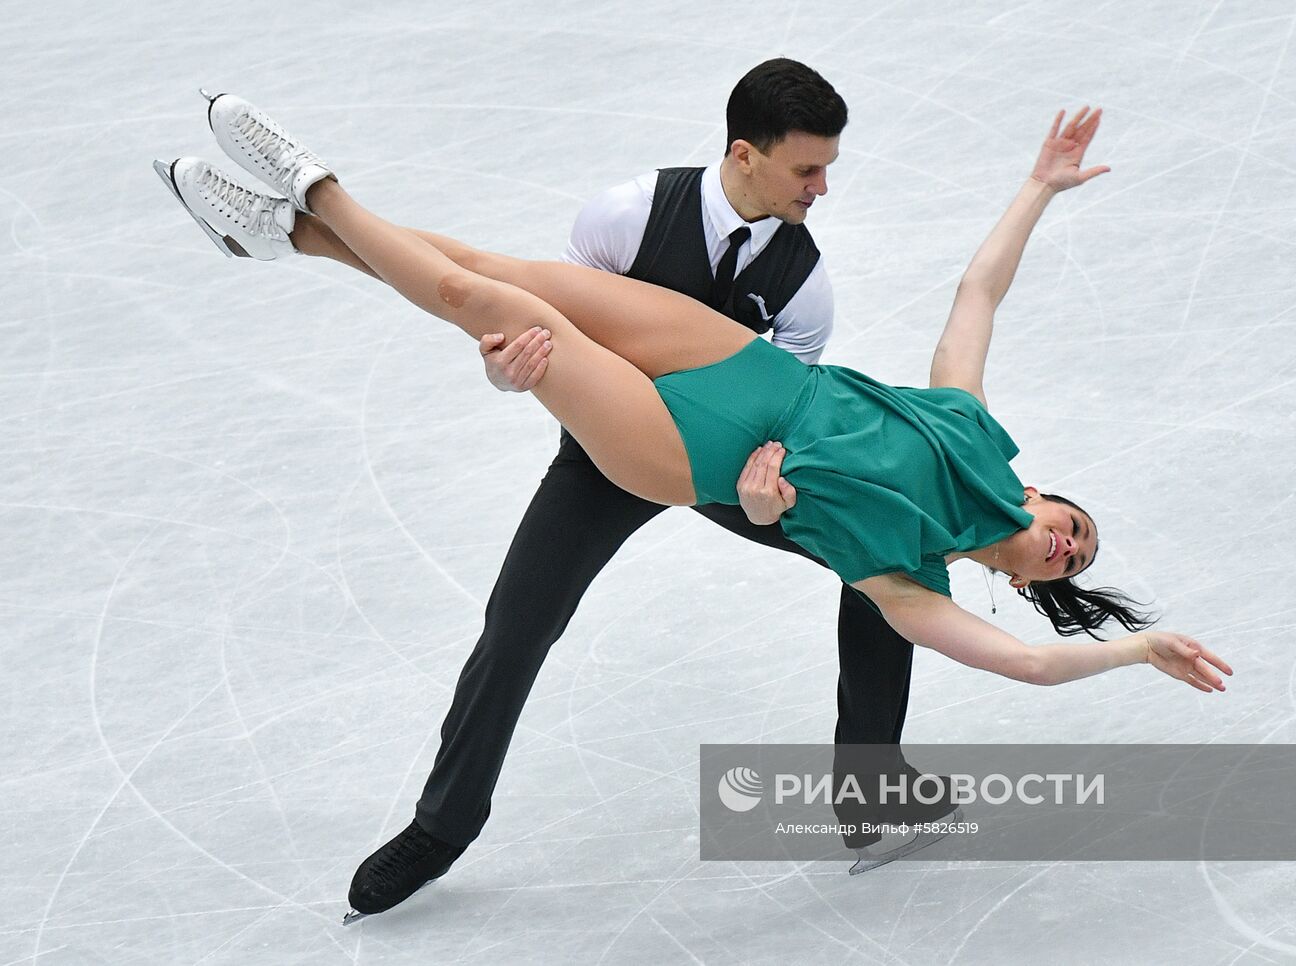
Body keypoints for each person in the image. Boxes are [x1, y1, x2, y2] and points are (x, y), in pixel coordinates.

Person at [157, 92, 1233, 914]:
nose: (1062, 546)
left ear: (1024, 576)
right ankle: (283, 231)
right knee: (503, 281)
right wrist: (1037, 187)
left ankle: (316, 185)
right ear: (1041, 490)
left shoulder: (909, 580)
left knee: (473, 300)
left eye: (1065, 565)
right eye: (1073, 528)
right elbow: (975, 293)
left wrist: (1136, 652)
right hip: (742, 367)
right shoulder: (967, 422)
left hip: (686, 453)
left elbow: (1036, 664)